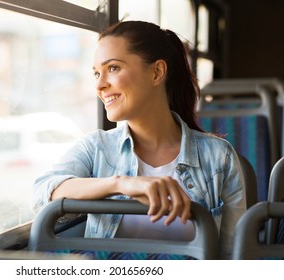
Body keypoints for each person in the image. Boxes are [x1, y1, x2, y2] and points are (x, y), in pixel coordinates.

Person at [31, 20, 246, 259]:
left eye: (112, 68)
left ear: (156, 72)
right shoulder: (97, 148)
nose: (100, 85)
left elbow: (232, 258)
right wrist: (120, 184)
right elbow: (43, 191)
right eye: (96, 73)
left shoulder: (219, 158)